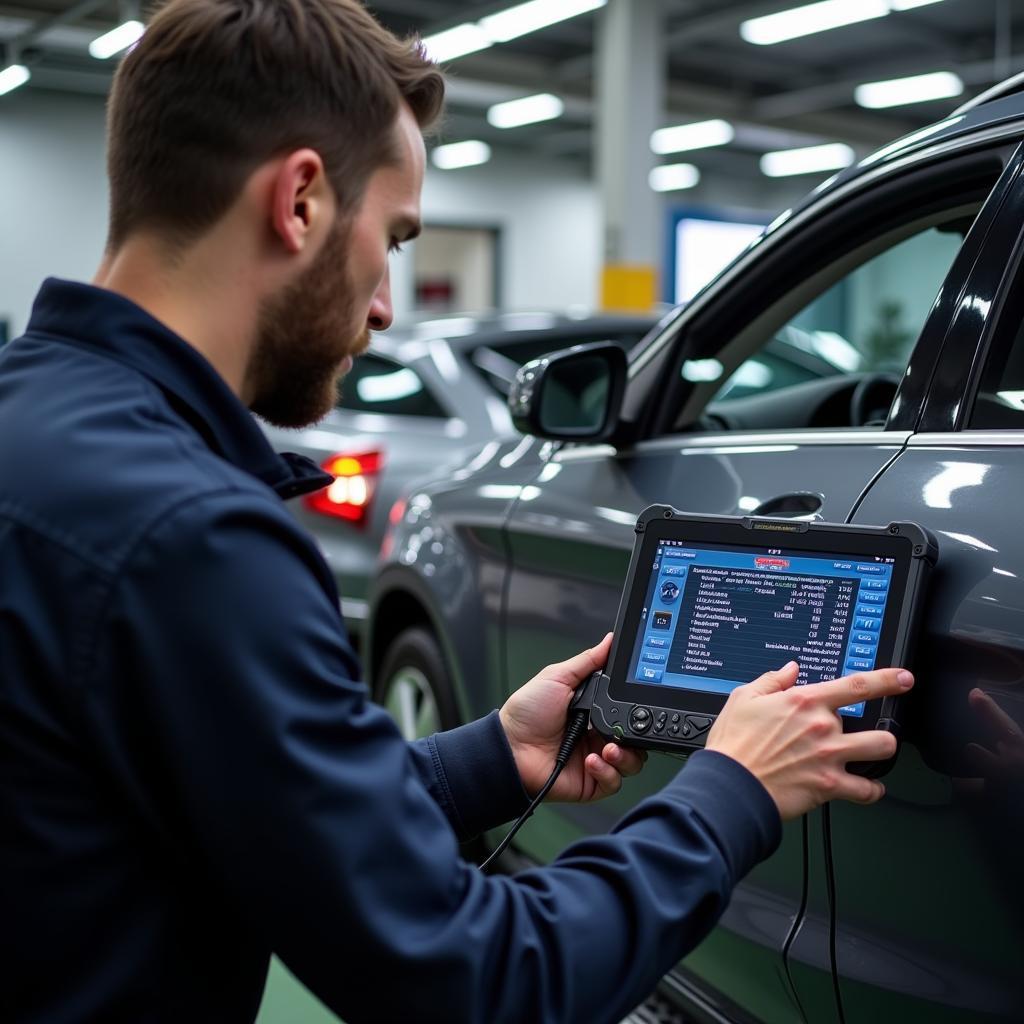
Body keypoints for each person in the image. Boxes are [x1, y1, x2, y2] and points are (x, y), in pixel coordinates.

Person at [0, 2, 913, 1022]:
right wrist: (732, 789)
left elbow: (220, 789)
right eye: (390, 238)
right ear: (300, 201)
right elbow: (477, 980)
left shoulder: (34, 425)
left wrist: (484, 758)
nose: (387, 303)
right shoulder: (195, 538)